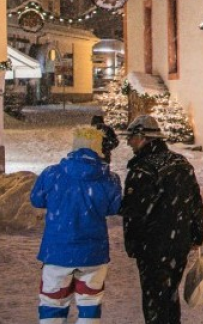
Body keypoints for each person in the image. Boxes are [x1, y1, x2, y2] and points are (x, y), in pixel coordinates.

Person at [30, 125, 122, 324]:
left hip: (57, 252)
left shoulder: (52, 174)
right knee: (90, 304)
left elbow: (37, 200)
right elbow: (114, 208)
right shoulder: (109, 179)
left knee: (52, 305)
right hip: (93, 254)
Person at [121, 115, 203, 324]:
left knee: (154, 300)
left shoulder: (142, 169)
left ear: (143, 137)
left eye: (131, 138)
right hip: (179, 243)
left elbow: (134, 213)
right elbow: (195, 201)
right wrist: (197, 234)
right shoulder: (180, 163)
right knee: (169, 294)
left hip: (153, 246)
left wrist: (132, 243)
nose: (129, 142)